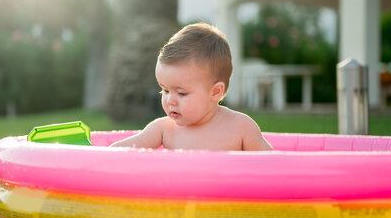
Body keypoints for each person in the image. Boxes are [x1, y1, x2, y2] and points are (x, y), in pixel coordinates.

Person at [110, 22, 273, 151]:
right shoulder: (163, 129)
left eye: (181, 93)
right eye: (165, 90)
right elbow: (117, 153)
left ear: (215, 92)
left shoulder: (241, 128)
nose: (170, 100)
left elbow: (275, 166)